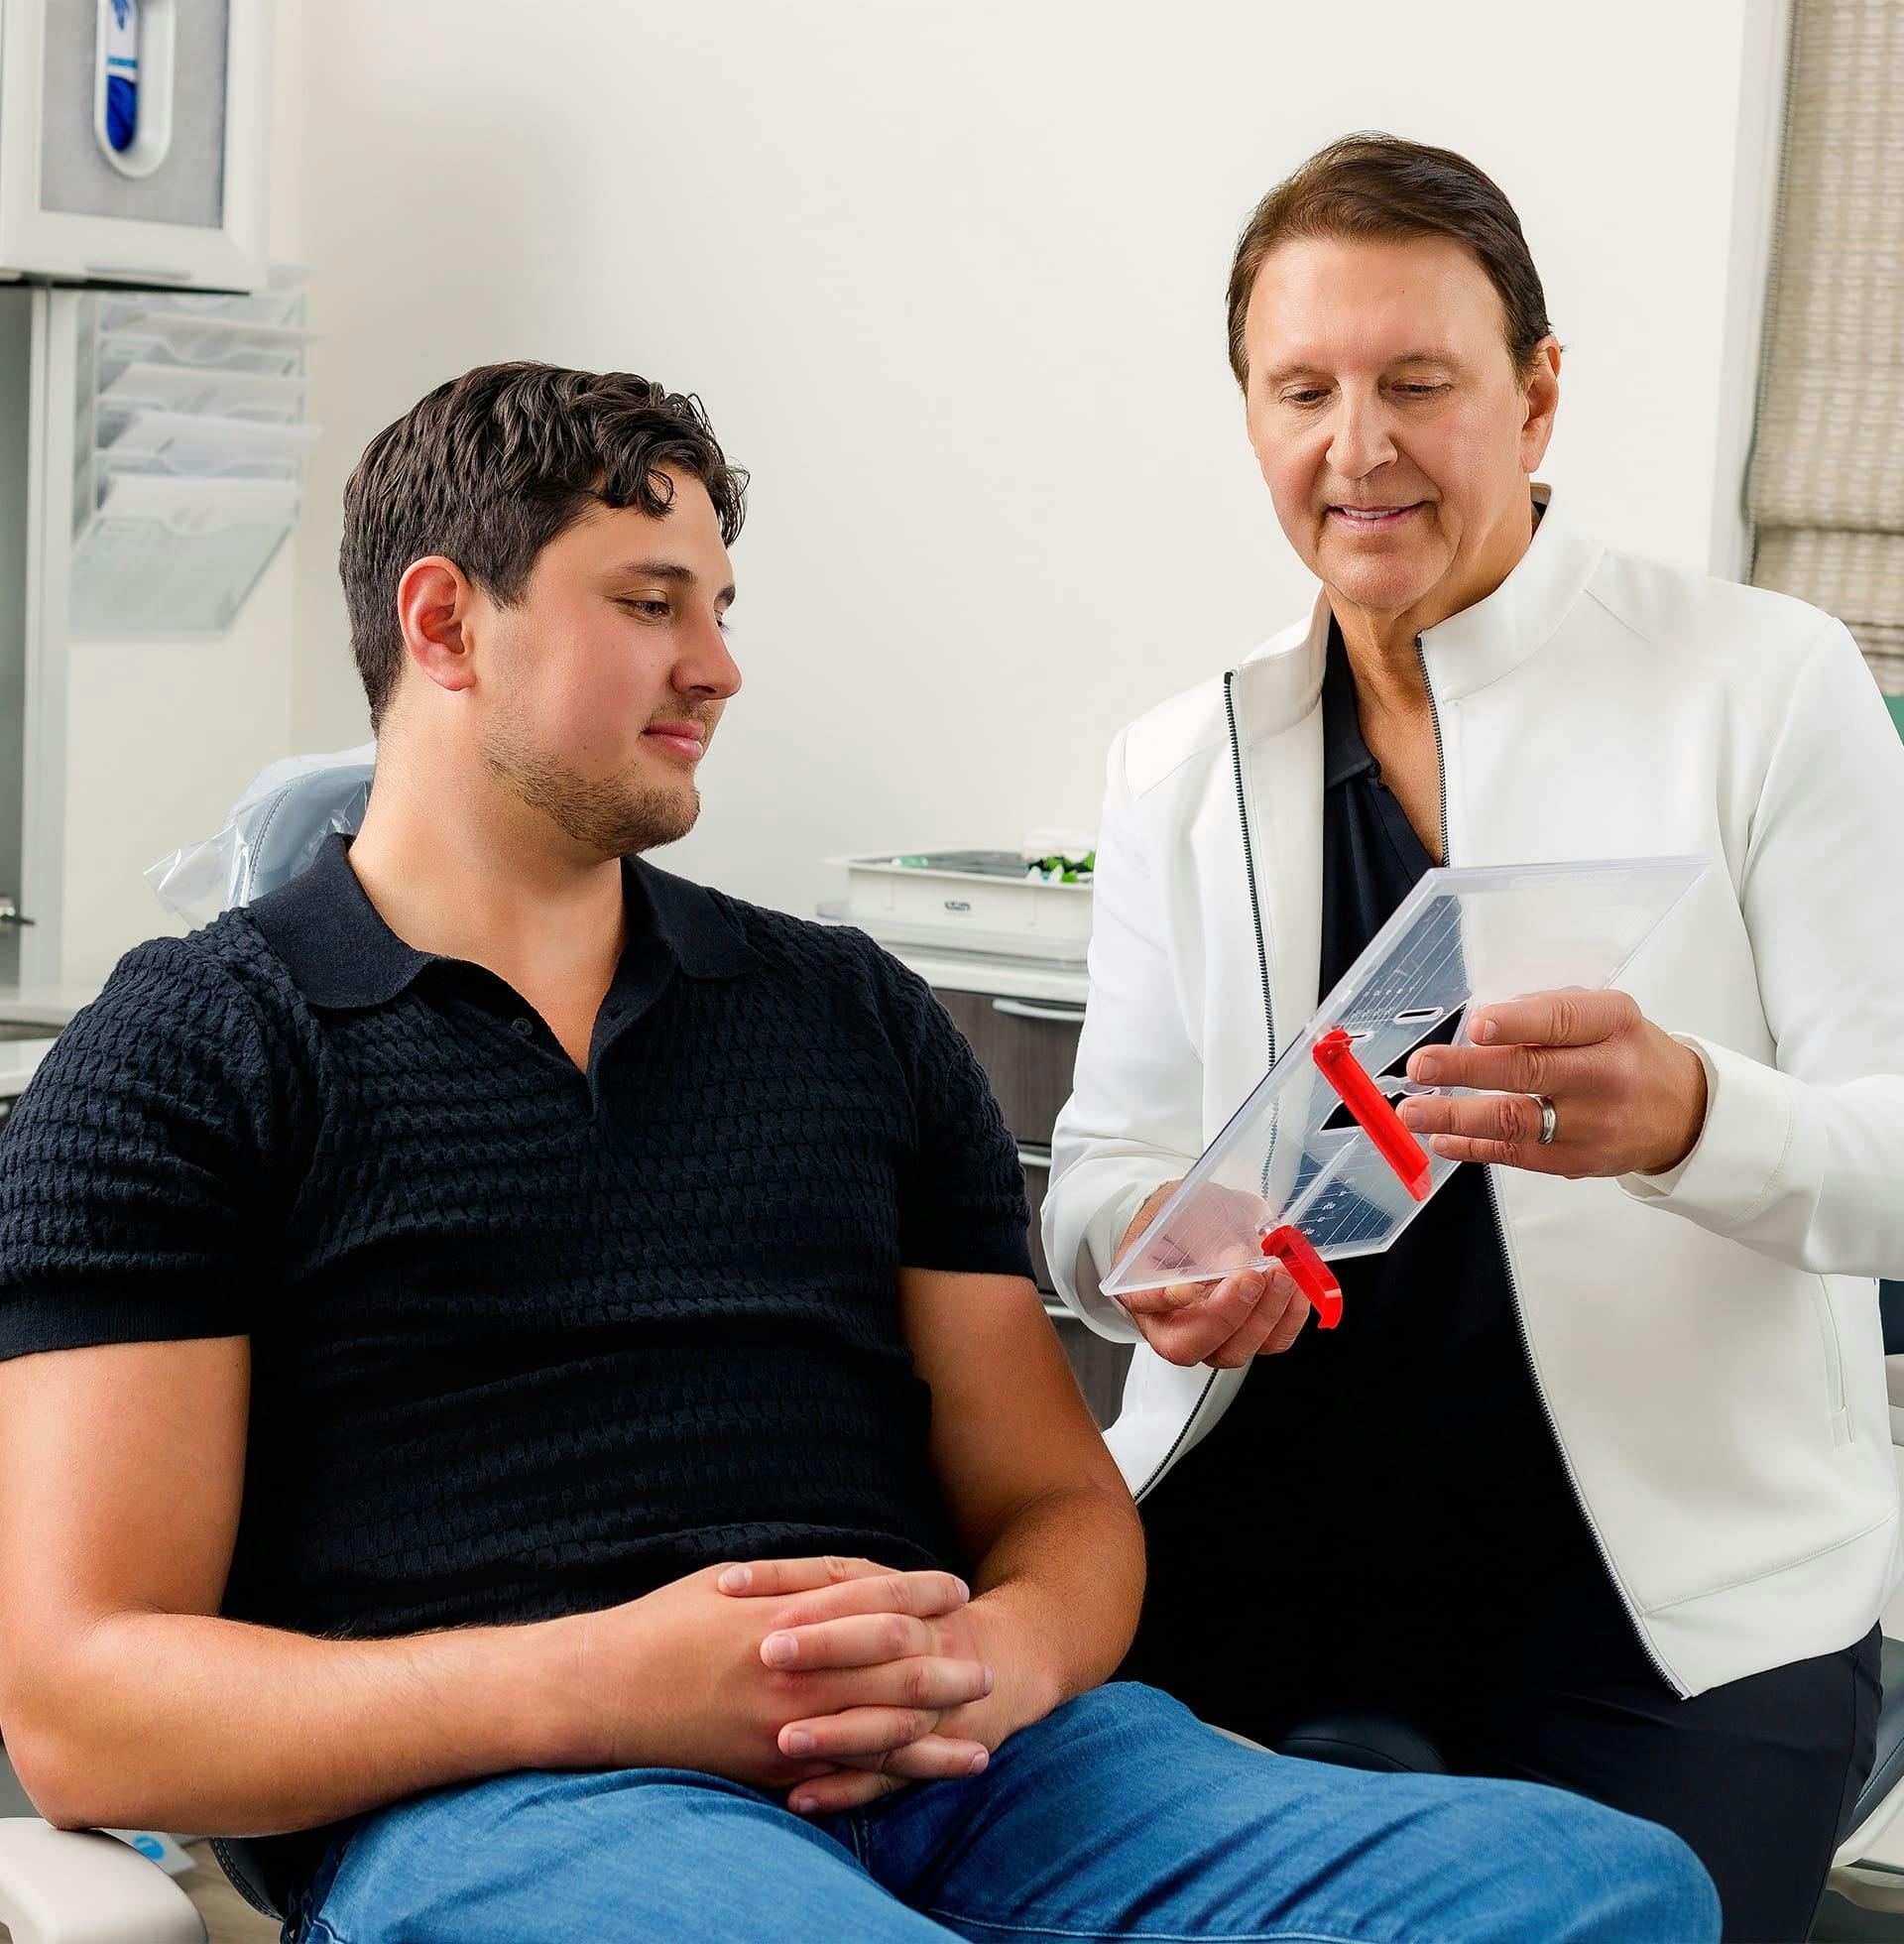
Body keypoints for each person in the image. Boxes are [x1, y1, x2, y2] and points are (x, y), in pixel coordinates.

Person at [0, 364, 1715, 1941]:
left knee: (1598, 1893)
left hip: (974, 1778)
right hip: (511, 1800)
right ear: (446, 622)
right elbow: (83, 1710)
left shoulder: (850, 1015)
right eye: (649, 603)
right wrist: (617, 1682)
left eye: (722, 610)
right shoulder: (193, 1052)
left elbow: (1054, 1506)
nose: (719, 667)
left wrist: (1002, 1655)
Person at [1041, 132, 1904, 1943]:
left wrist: (1691, 1118)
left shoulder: (1765, 685)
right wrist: (1148, 1251)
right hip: (1250, 1549)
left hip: (1665, 1607)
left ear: (1537, 396)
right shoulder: (1181, 762)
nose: (1357, 447)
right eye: (1304, 390)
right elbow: (1103, 1171)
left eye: (1418, 383)